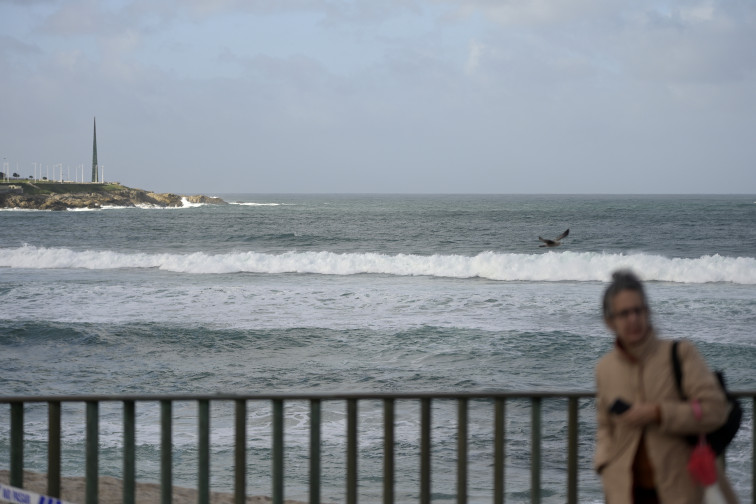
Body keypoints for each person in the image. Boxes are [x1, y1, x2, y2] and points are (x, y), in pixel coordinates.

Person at [594, 270, 738, 503]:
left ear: (648, 312)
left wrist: (659, 413)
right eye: (624, 313)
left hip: (682, 491)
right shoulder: (605, 369)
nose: (633, 319)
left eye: (638, 310)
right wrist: (604, 464)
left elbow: (715, 410)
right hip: (626, 493)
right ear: (610, 321)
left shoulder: (680, 354)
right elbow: (604, 426)